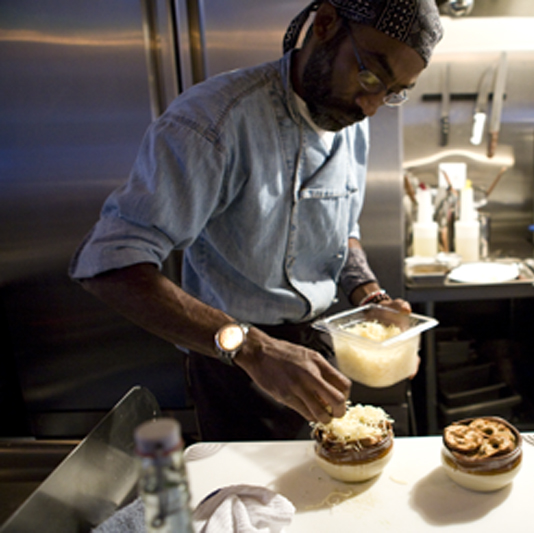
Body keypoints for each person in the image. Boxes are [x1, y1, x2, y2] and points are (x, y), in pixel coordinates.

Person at [68, 0, 443, 441]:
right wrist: (252, 348)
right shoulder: (213, 121)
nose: (373, 104)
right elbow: (107, 265)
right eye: (370, 76)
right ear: (324, 24)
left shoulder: (350, 119)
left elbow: (340, 232)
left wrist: (369, 294)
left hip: (316, 350)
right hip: (232, 363)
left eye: (395, 91)